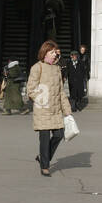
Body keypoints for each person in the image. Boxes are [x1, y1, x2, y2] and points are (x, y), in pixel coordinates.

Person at [27, 40, 72, 177]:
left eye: (55, 52)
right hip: (43, 109)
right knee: (45, 139)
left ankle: (42, 157)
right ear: (45, 53)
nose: (54, 55)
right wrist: (42, 99)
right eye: (52, 52)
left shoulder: (57, 69)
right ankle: (45, 166)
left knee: (59, 135)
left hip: (56, 109)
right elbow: (30, 89)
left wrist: (67, 110)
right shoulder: (37, 67)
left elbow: (61, 91)